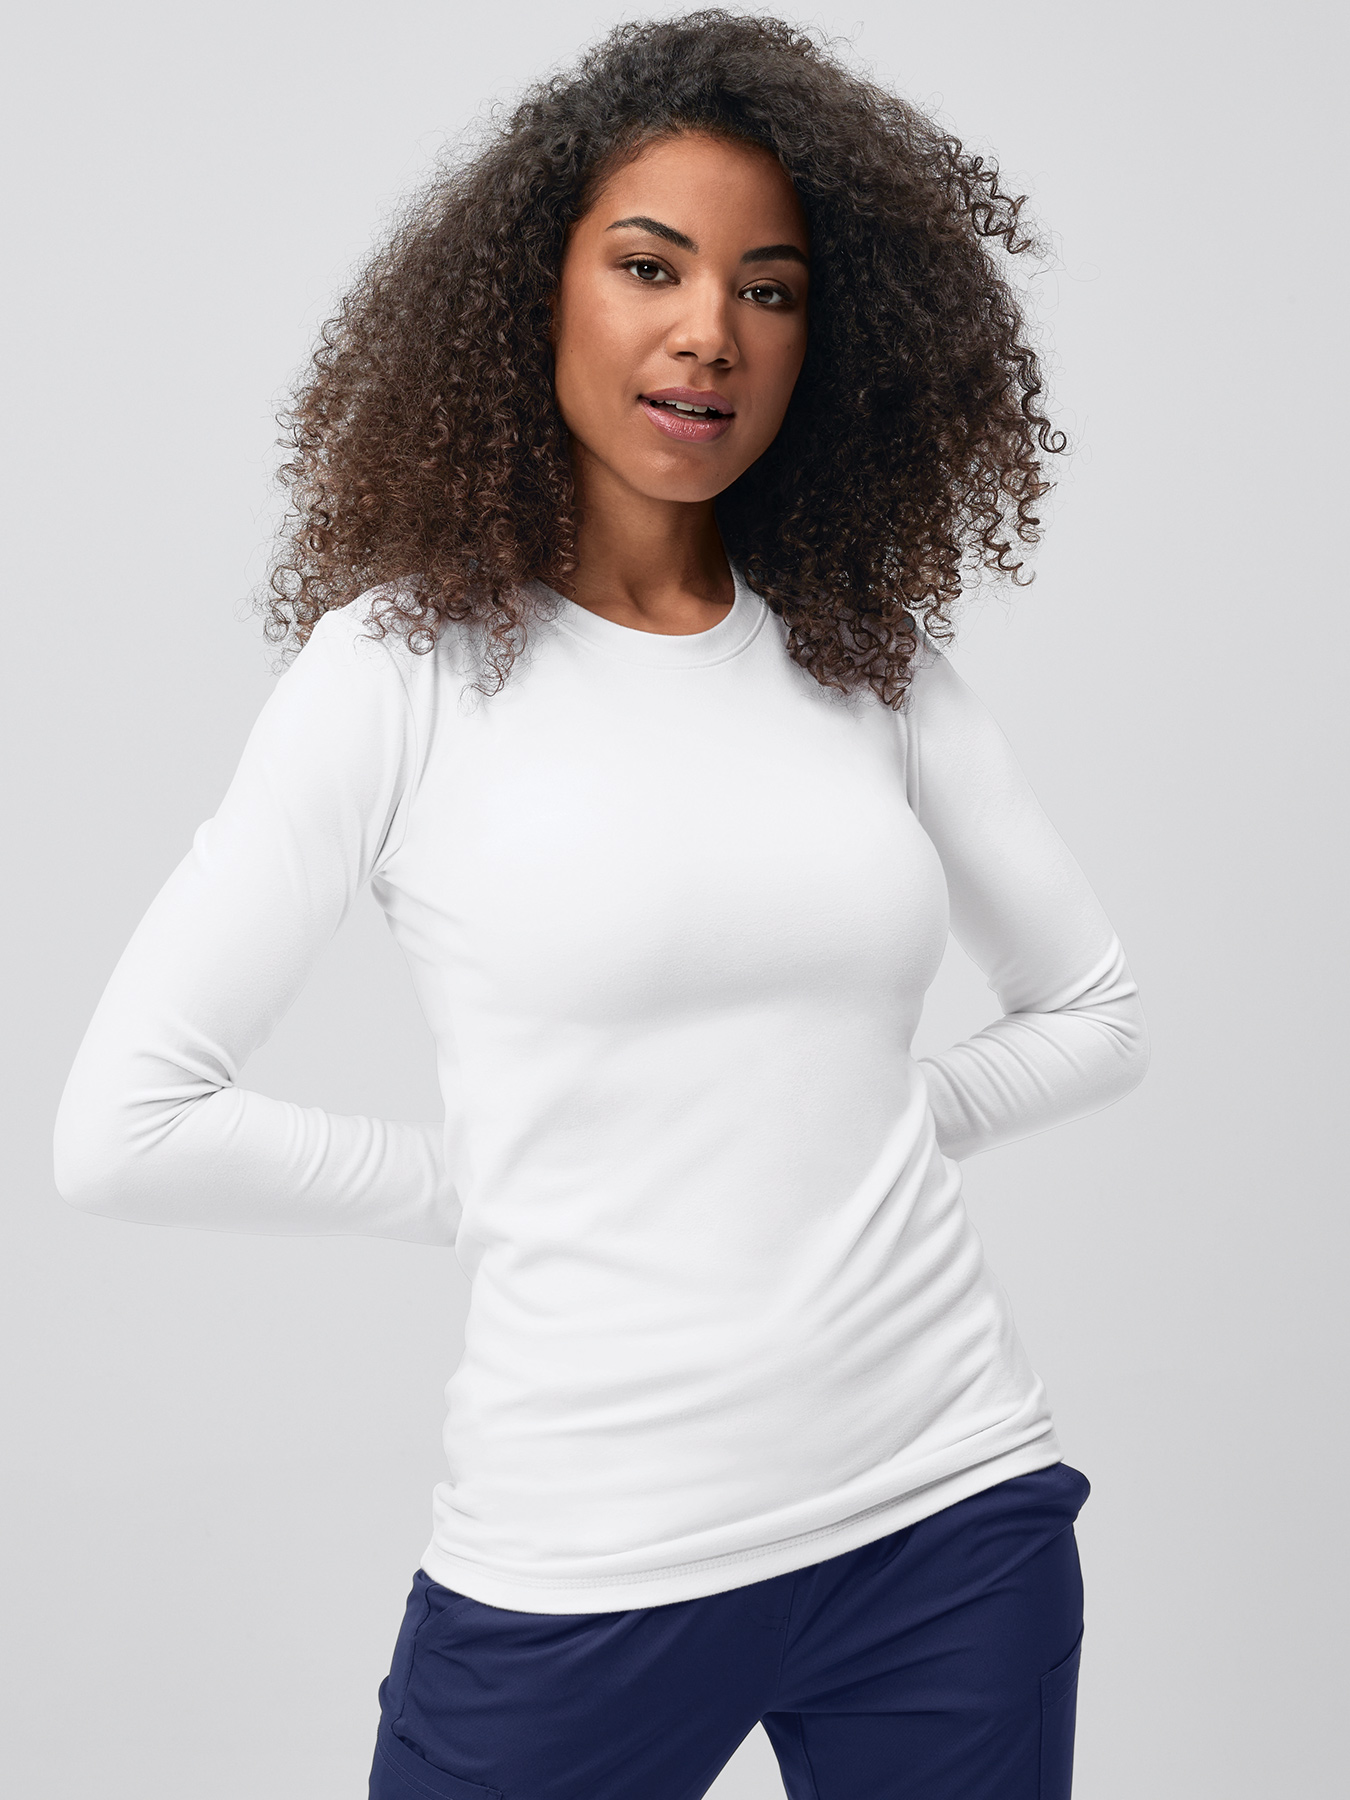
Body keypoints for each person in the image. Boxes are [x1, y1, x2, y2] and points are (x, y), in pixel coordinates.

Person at [53, 12, 1150, 1798]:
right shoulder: (397, 673)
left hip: (948, 1520)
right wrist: (492, 1180)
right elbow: (123, 1128)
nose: (710, 329)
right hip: (583, 1564)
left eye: (769, 290)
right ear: (533, 294)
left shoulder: (865, 664)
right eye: (650, 266)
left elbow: (1095, 1013)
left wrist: (849, 1123)